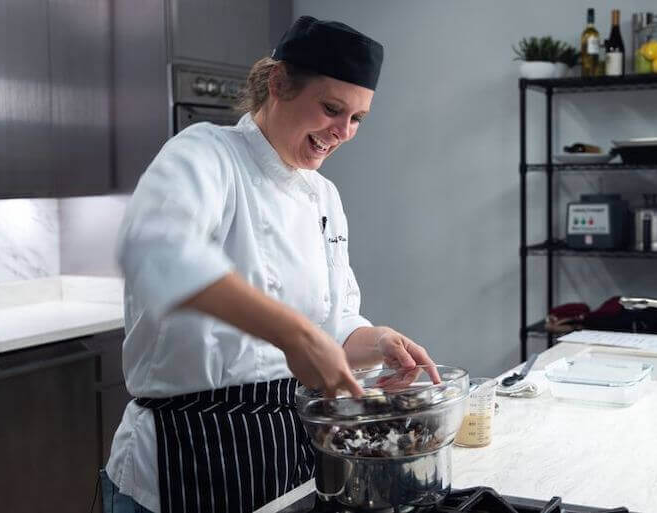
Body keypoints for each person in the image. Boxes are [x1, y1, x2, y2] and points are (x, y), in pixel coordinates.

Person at [101, 15, 438, 513]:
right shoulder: (205, 154)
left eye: (358, 119)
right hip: (185, 456)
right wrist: (295, 337)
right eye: (331, 109)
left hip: (282, 453)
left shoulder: (323, 197)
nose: (343, 132)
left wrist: (379, 342)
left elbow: (333, 327)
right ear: (279, 83)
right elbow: (155, 250)